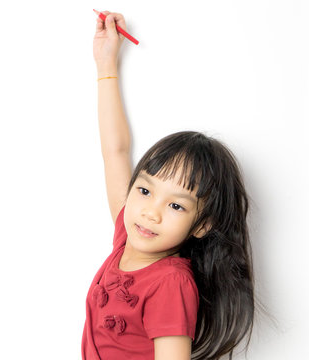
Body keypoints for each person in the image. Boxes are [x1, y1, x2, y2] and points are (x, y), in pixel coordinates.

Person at [82, 10, 263, 360]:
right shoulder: (127, 237)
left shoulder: (170, 282)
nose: (151, 212)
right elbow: (115, 151)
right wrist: (106, 66)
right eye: (146, 190)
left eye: (176, 205)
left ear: (202, 224)